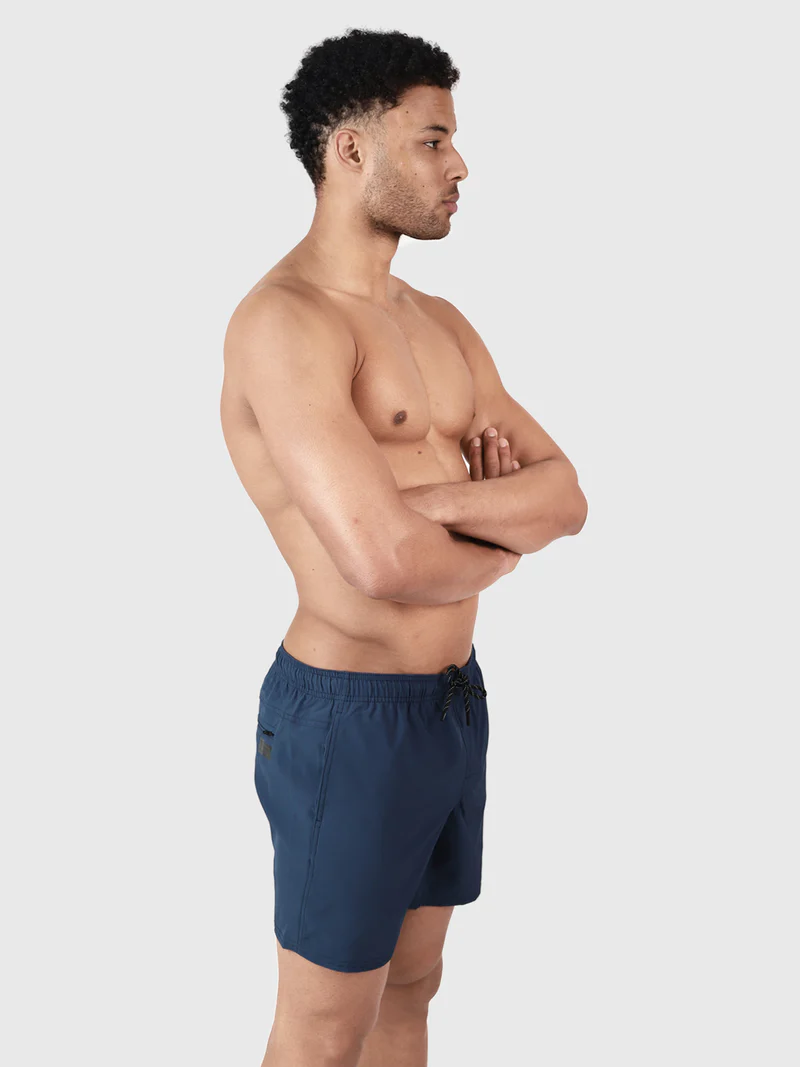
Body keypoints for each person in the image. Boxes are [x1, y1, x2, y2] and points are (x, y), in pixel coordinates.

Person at [220, 27, 588, 1067]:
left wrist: (437, 502)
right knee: (323, 1028)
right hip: (348, 717)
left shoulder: (441, 322)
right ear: (350, 149)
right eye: (432, 141)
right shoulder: (284, 323)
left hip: (449, 704)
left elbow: (566, 496)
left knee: (413, 989)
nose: (458, 165)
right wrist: (498, 536)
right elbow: (381, 563)